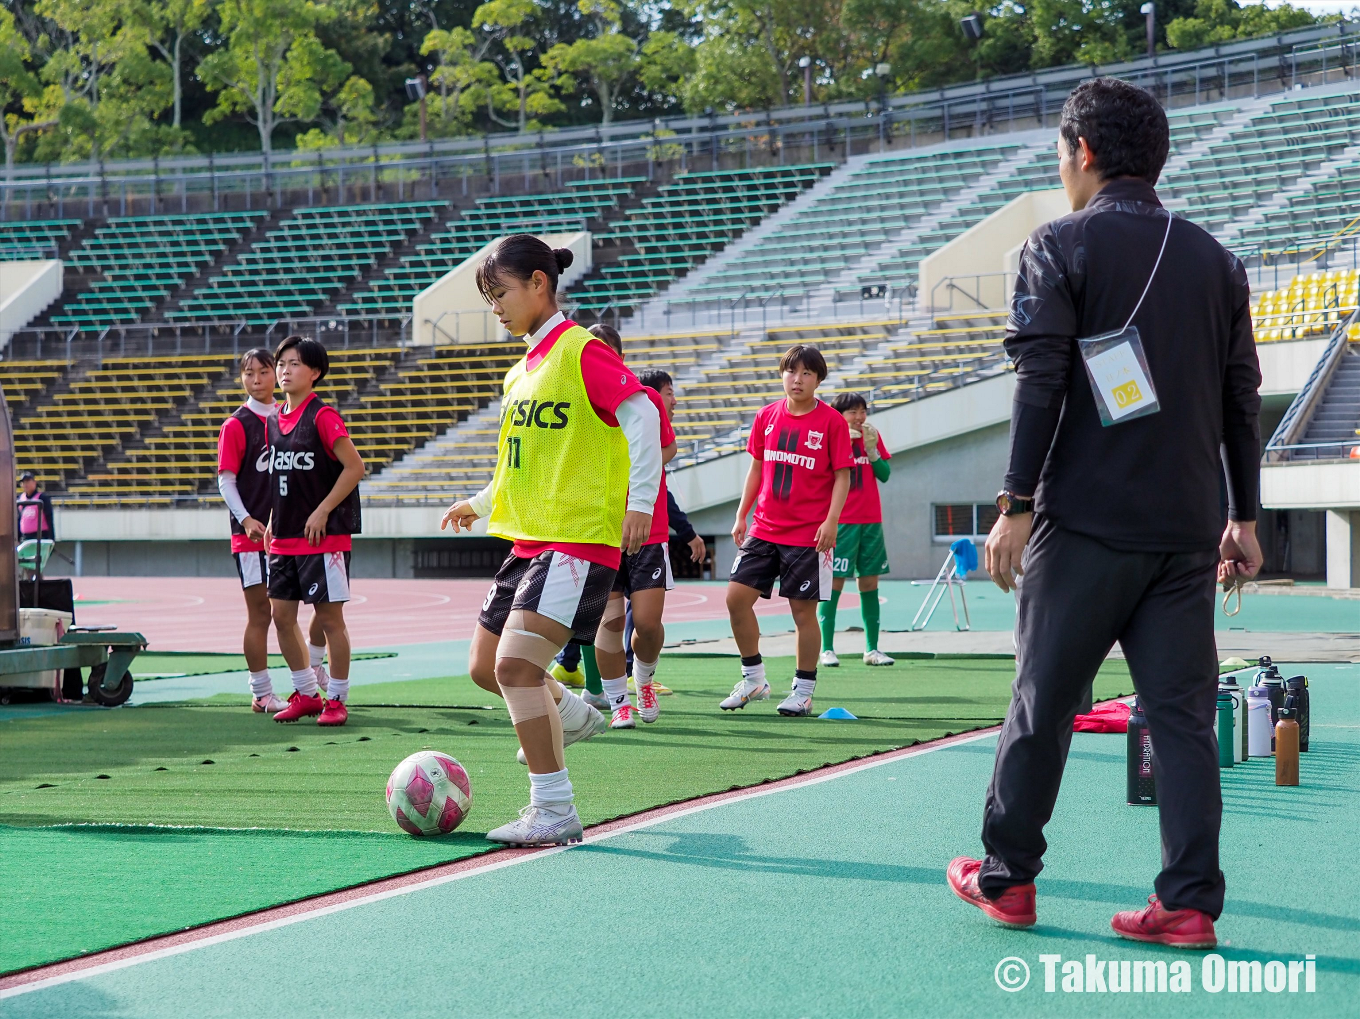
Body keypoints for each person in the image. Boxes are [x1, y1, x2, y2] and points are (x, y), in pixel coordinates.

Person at [946, 78, 1262, 949]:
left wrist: (1012, 502)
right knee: (1184, 719)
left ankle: (1007, 879)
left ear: (1082, 152)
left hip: (1083, 523)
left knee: (1042, 702)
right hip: (1187, 531)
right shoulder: (1217, 260)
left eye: (1060, 150)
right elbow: (1243, 401)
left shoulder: (1057, 245)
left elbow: (1041, 379)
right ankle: (1189, 901)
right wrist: (1246, 516)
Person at [441, 234, 661, 847]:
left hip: (577, 543)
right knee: (486, 669)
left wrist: (639, 504)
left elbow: (640, 415)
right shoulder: (521, 370)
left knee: (516, 667)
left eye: (500, 292)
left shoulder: (581, 351)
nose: (496, 308)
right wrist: (481, 503)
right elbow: (519, 463)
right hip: (530, 542)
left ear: (539, 283)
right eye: (489, 298)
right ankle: (569, 712)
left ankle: (555, 809)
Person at [721, 345, 852, 717]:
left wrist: (831, 521)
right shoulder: (766, 416)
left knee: (802, 614)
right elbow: (756, 469)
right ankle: (754, 679)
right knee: (735, 599)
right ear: (782, 375)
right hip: (763, 527)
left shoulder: (831, 422)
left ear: (818, 379)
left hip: (809, 535)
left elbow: (843, 476)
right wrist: (741, 513)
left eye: (807, 373)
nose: (798, 379)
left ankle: (804, 690)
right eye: (791, 371)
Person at [265, 336, 366, 728]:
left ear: (315, 373)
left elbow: (354, 467)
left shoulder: (322, 417)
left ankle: (337, 699)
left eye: (293, 364)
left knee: (329, 620)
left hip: (323, 539)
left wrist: (323, 510)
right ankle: (306, 693)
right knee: (281, 616)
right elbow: (281, 477)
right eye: (281, 363)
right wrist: (274, 518)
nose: (284, 370)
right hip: (285, 536)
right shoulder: (274, 418)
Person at [584, 328, 678, 729]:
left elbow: (669, 447)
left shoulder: (645, 397)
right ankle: (618, 700)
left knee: (648, 623)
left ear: (619, 357)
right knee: (608, 621)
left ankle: (644, 680)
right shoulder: (580, 401)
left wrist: (638, 463)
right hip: (600, 528)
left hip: (647, 528)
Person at [819, 392, 894, 668]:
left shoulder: (871, 435)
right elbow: (822, 476)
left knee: (870, 582)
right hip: (841, 522)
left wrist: (872, 452)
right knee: (835, 582)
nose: (860, 417)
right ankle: (826, 648)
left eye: (863, 411)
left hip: (871, 520)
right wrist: (844, 446)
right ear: (838, 415)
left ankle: (872, 649)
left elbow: (885, 474)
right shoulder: (828, 437)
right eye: (853, 412)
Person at [16, 472, 54, 543]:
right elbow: (19, 519)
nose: (25, 484)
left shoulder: (42, 498)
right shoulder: (20, 499)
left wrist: (51, 538)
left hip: (40, 536)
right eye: (23, 482)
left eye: (27, 481)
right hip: (25, 537)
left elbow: (49, 517)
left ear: (34, 482)